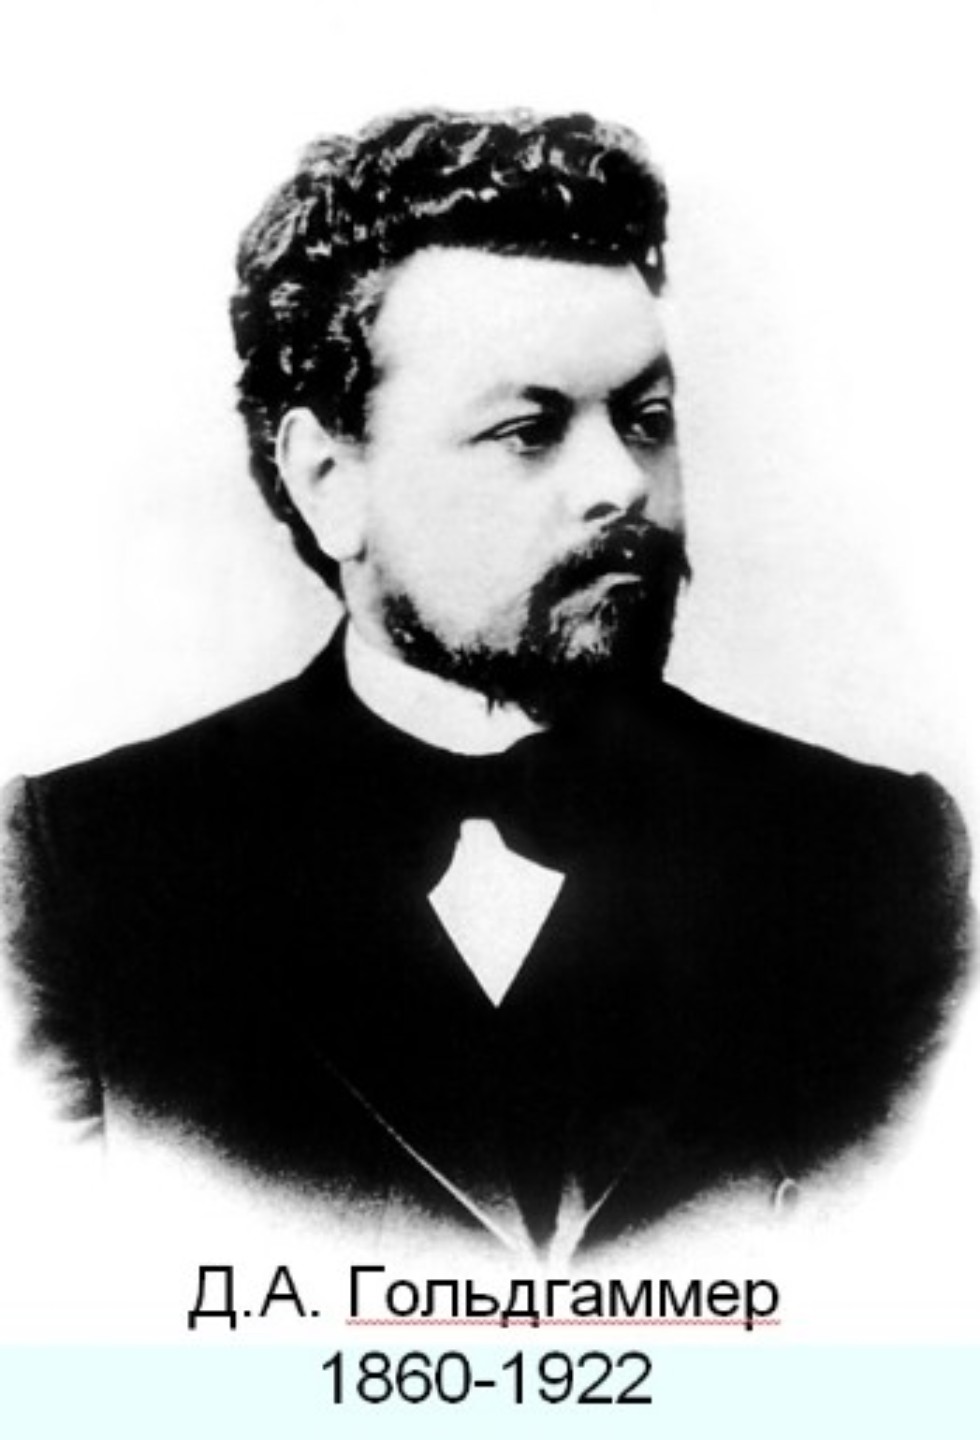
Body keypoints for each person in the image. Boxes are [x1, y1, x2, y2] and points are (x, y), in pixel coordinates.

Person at [3, 109, 971, 1260]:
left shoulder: (867, 854)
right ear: (327, 479)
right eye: (527, 430)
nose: (621, 484)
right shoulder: (90, 868)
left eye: (646, 420)